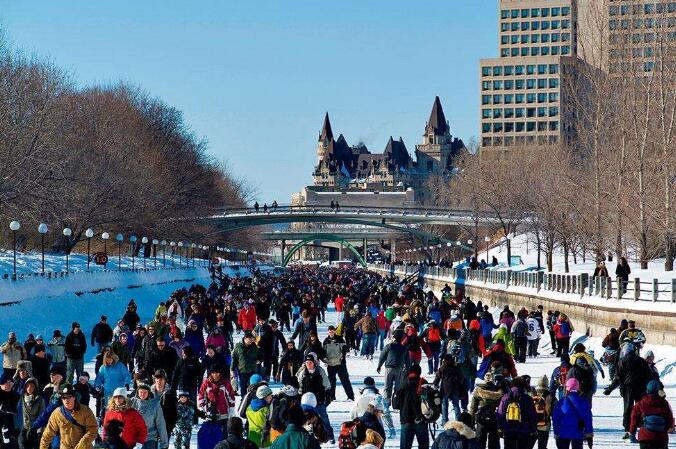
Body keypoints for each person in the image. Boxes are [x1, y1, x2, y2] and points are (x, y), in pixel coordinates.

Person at [604, 343, 653, 439]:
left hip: (627, 389)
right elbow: (649, 375)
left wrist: (610, 389)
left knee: (628, 409)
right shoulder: (641, 361)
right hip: (640, 388)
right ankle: (642, 428)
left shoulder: (621, 362)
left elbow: (617, 378)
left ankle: (628, 430)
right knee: (640, 409)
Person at [39, 384, 98, 449]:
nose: (66, 400)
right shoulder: (57, 413)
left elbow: (93, 429)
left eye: (69, 397)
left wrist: (82, 444)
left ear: (74, 397)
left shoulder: (85, 411)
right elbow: (47, 434)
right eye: (64, 398)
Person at [296, 354, 333, 444]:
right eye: (307, 362)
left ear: (314, 363)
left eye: (310, 362)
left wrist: (328, 396)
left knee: (324, 418)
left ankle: (330, 436)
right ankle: (303, 437)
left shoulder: (320, 371)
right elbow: (299, 386)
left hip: (319, 399)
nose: (308, 364)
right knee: (305, 420)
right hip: (306, 401)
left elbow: (327, 385)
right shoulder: (302, 373)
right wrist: (299, 397)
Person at [630, 380, 674, 449]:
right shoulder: (664, 404)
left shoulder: (640, 404)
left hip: (645, 437)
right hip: (661, 439)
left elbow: (633, 420)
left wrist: (632, 434)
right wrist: (663, 429)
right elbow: (670, 421)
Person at [496, 377, 537, 449]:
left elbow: (500, 413)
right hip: (524, 430)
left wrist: (500, 427)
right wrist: (533, 429)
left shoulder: (505, 397)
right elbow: (532, 415)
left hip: (508, 430)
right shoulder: (527, 398)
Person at [393, 365, 428, 449]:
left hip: (406, 420)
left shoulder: (403, 383)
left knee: (405, 446)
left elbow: (396, 405)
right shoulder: (424, 383)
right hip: (421, 419)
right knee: (424, 446)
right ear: (419, 372)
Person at [552, 378, 593, 449]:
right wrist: (589, 434)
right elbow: (588, 419)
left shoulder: (561, 402)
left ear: (567, 388)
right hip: (578, 433)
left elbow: (555, 418)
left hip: (563, 433)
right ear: (578, 387)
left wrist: (556, 433)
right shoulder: (584, 402)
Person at [198, 365, 236, 436]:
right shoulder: (206, 383)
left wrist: (232, 408)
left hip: (223, 413)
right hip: (211, 413)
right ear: (211, 373)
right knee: (212, 435)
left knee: (224, 433)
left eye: (217, 373)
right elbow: (201, 396)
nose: (215, 375)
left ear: (220, 373)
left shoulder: (225, 382)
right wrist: (202, 408)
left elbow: (231, 396)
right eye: (213, 373)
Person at [130, 384, 168, 449]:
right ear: (137, 392)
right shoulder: (132, 402)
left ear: (149, 393)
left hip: (150, 438)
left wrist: (164, 443)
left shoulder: (155, 405)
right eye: (141, 392)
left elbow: (161, 424)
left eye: (145, 392)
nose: (142, 394)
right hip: (135, 438)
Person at [376, 332, 410, 405]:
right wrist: (408, 369)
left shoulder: (389, 346)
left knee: (387, 386)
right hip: (399, 369)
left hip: (389, 368)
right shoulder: (404, 348)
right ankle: (397, 402)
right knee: (398, 387)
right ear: (401, 339)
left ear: (394, 338)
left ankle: (386, 402)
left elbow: (382, 356)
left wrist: (379, 365)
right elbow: (407, 360)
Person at [322, 326, 354, 401]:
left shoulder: (339, 339)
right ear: (328, 332)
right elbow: (323, 352)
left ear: (334, 331)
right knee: (331, 382)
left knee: (345, 380)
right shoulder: (326, 341)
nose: (331, 333)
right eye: (330, 332)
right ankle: (332, 397)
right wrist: (325, 360)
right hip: (330, 364)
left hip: (340, 363)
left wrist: (343, 357)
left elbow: (344, 348)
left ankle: (350, 396)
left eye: (332, 332)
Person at [434, 355, 464, 425]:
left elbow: (437, 377)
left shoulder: (442, 368)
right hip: (455, 389)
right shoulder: (456, 368)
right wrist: (459, 384)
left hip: (445, 389)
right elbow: (461, 378)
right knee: (456, 405)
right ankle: (458, 420)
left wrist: (435, 384)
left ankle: (445, 421)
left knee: (445, 405)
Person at [231, 332, 262, 397]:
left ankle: (251, 399)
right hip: (242, 370)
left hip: (252, 370)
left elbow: (260, 355)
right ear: (245, 338)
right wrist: (232, 369)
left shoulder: (254, 346)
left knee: (252, 386)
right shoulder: (238, 346)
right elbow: (234, 358)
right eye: (249, 339)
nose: (251, 341)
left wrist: (259, 360)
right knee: (243, 386)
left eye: (252, 339)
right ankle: (243, 400)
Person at [18, 378, 45, 449]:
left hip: (35, 429)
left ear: (35, 388)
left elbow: (41, 416)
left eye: (32, 386)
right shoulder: (21, 398)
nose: (29, 388)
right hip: (24, 428)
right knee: (22, 444)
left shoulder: (39, 399)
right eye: (27, 386)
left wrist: (39, 432)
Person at [531, 376, 554, 449]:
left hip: (532, 425)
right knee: (542, 446)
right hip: (544, 426)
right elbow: (554, 411)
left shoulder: (532, 394)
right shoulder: (550, 396)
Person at [0, 372, 20, 449]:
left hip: (13, 427)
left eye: (10, 382)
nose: (8, 384)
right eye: (6, 382)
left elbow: (17, 411)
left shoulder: (16, 395)